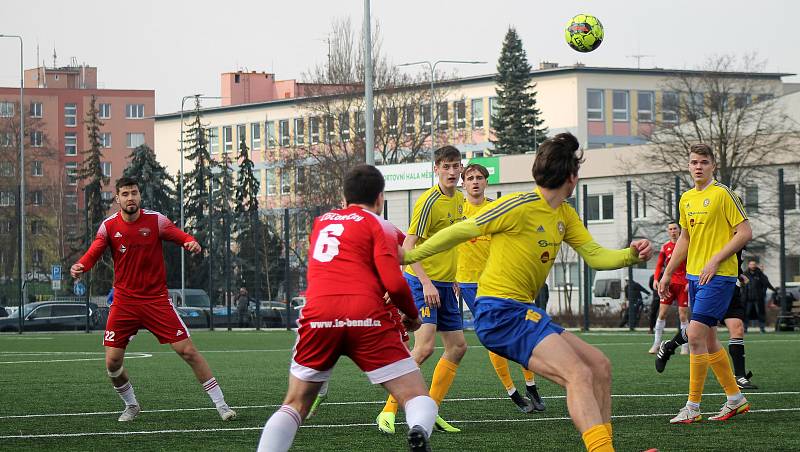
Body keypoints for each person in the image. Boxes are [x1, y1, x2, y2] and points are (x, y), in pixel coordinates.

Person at [400, 133, 653, 452]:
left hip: (523, 312)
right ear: (572, 178)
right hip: (498, 313)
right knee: (577, 373)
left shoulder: (564, 214)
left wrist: (630, 254)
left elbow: (594, 255)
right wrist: (407, 256)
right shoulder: (519, 205)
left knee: (599, 366)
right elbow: (462, 229)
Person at [257, 165, 437, 452]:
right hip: (365, 314)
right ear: (380, 198)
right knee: (415, 396)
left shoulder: (321, 223)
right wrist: (413, 316)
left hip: (317, 314)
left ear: (344, 197)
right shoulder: (382, 225)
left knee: (294, 405)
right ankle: (418, 430)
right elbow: (395, 282)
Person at [70, 176, 236, 422]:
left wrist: (190, 242)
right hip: (124, 303)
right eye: (125, 194)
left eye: (134, 193)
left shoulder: (156, 221)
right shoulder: (109, 226)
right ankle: (131, 405)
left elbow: (179, 235)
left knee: (188, 351)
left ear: (139, 196)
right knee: (112, 364)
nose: (130, 198)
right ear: (117, 199)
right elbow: (95, 250)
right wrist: (81, 265)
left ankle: (222, 405)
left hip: (156, 301)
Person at [656, 143, 752, 424]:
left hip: (720, 275)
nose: (698, 166)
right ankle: (735, 399)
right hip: (694, 277)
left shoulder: (723, 194)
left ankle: (692, 407)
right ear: (688, 166)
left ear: (713, 166)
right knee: (709, 340)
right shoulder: (686, 198)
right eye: (694, 162)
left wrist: (715, 260)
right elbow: (685, 240)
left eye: (704, 162)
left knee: (695, 335)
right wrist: (665, 274)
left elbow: (744, 232)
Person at [377, 145, 466, 435]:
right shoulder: (428, 201)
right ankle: (388, 410)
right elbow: (410, 246)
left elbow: (450, 244)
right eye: (446, 166)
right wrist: (426, 282)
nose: (452, 172)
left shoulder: (460, 200)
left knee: (457, 348)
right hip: (422, 282)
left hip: (445, 284)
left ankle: (430, 410)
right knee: (425, 348)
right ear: (436, 169)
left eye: (456, 166)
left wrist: (453, 277)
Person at [457, 163, 544, 414]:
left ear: (486, 182)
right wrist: (449, 276)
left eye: (480, 177)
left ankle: (531, 384)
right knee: (494, 337)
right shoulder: (456, 210)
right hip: (469, 283)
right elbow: (445, 244)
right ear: (464, 183)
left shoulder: (497, 207)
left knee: (520, 328)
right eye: (470, 178)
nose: (475, 181)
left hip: (500, 279)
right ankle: (512, 391)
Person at [648, 222, 689, 355]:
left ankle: (685, 346)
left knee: (683, 315)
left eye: (675, 229)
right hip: (669, 285)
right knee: (662, 313)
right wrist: (656, 279)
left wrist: (690, 281)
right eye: (670, 229)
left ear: (679, 230)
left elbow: (693, 264)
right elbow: (659, 264)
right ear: (668, 232)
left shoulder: (687, 245)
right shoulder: (665, 247)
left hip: (684, 284)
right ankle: (656, 344)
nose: (673, 231)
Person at [743, 260, 774, 333]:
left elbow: (766, 284)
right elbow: (741, 285)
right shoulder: (745, 274)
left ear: (755, 265)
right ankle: (745, 328)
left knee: (760, 313)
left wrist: (772, 290)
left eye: (754, 264)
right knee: (746, 314)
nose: (752, 266)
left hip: (758, 298)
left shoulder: (760, 274)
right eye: (751, 264)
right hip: (747, 299)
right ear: (748, 265)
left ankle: (762, 328)